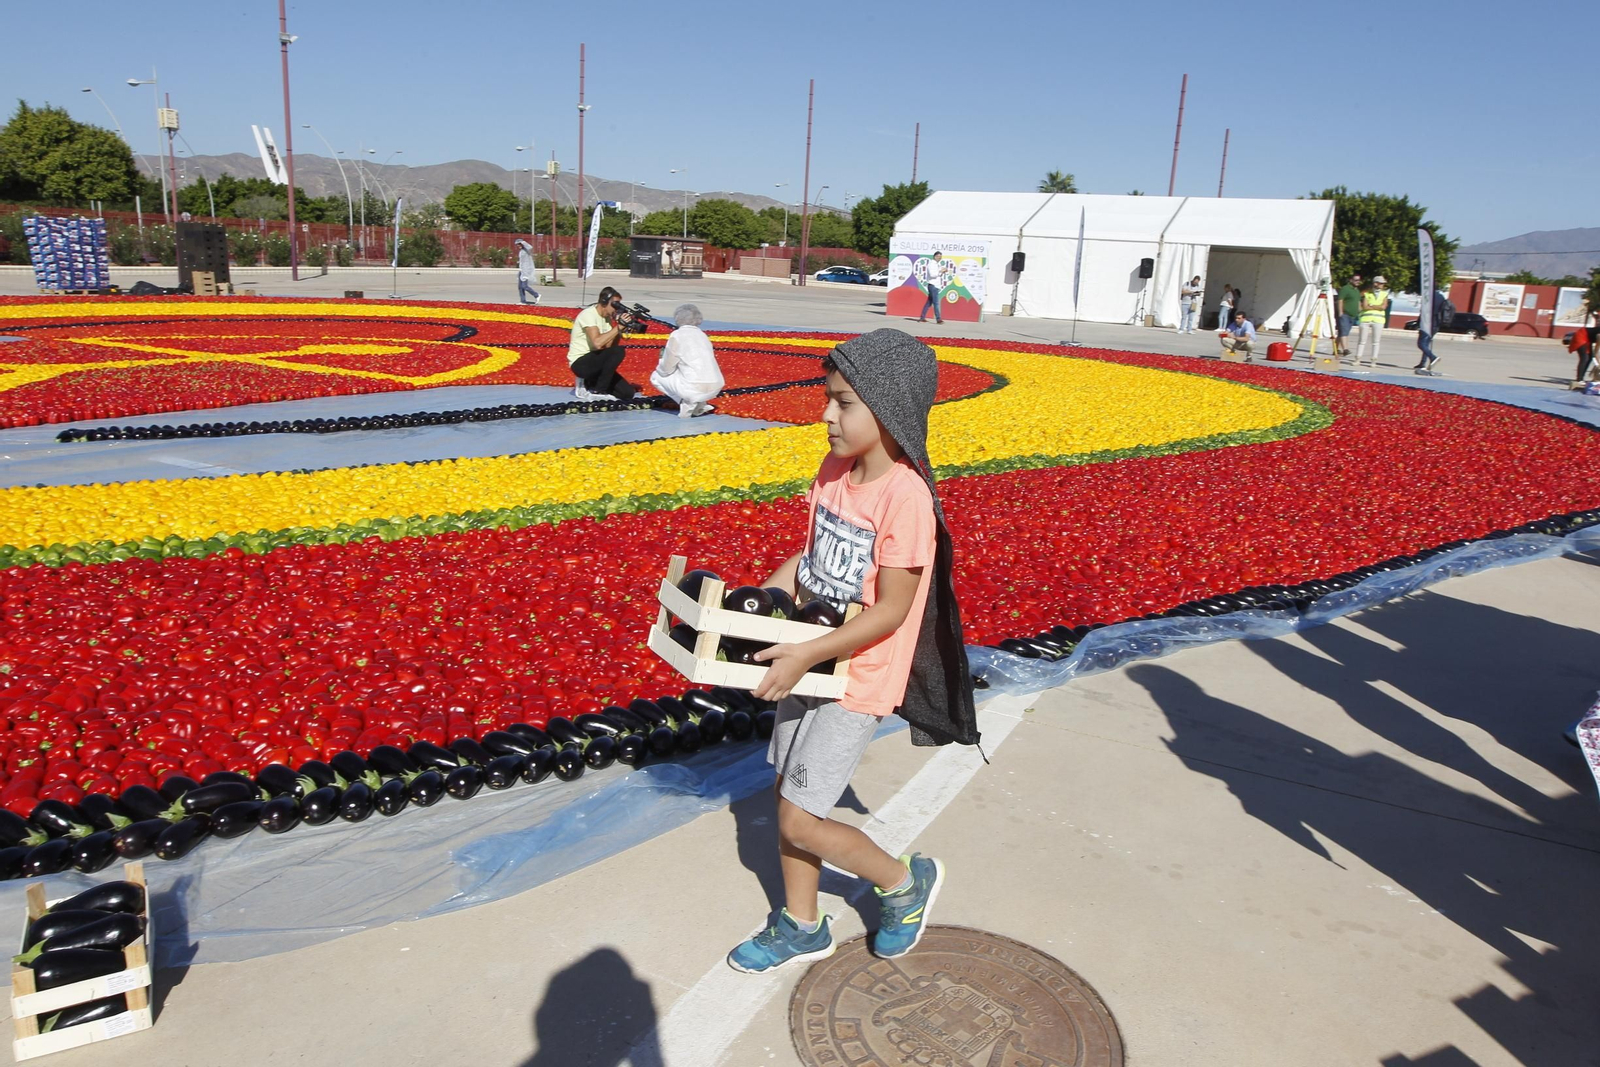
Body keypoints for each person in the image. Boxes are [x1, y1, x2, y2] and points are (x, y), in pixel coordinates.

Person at [725, 328, 978, 974]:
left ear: (888, 410)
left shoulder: (906, 498)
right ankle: (802, 924)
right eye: (826, 398)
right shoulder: (834, 472)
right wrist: (759, 601)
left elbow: (891, 609)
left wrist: (806, 656)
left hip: (855, 678)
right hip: (811, 660)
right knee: (789, 792)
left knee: (802, 819)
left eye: (842, 403)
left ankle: (901, 882)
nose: (825, 414)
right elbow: (809, 564)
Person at [650, 303, 724, 417]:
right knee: (690, 370)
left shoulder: (677, 335)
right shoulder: (703, 335)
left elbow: (667, 368)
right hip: (716, 385)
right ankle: (700, 404)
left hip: (693, 386)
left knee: (656, 377)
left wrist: (661, 361)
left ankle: (685, 401)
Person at [566, 286, 638, 401]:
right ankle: (598, 390)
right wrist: (618, 327)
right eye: (615, 305)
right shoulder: (589, 314)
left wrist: (620, 330)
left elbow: (609, 347)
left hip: (595, 362)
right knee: (619, 351)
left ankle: (590, 383)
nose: (617, 309)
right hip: (581, 363)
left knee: (627, 393)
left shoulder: (607, 319)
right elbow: (597, 344)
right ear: (604, 302)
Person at [1353, 274, 1392, 372]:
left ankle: (1373, 360)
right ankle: (1358, 358)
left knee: (1376, 341)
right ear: (1376, 283)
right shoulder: (1367, 294)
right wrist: (1376, 306)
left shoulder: (1384, 294)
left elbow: (1383, 306)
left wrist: (1371, 305)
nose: (1382, 285)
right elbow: (1365, 306)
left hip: (1378, 320)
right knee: (1362, 340)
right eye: (1381, 283)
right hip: (1365, 319)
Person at [1413, 289, 1448, 376]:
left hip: (1427, 323)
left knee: (1421, 343)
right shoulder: (1441, 297)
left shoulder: (1428, 297)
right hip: (1436, 324)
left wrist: (1418, 322)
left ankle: (1433, 357)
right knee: (1427, 343)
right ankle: (1422, 363)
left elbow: (1424, 311)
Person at [917, 251, 946, 324]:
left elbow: (938, 275)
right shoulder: (931, 264)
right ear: (935, 256)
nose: (940, 258)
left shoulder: (936, 264)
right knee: (936, 303)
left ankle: (922, 317)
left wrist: (942, 272)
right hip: (933, 285)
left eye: (940, 257)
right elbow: (932, 274)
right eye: (939, 256)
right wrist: (940, 271)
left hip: (935, 285)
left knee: (929, 302)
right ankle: (938, 319)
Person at [1337, 273, 1363, 356]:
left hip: (1353, 316)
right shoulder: (1345, 289)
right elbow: (1340, 300)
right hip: (1345, 314)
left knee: (1342, 332)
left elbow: (1358, 302)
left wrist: (1360, 311)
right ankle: (1345, 349)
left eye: (1358, 280)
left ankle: (1336, 349)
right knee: (1344, 331)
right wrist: (1340, 312)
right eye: (1355, 280)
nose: (1357, 282)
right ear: (1351, 280)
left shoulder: (1357, 291)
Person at [514, 240, 541, 305]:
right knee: (520, 287)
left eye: (519, 244)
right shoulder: (521, 251)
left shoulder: (527, 250)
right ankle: (523, 301)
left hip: (526, 271)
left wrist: (523, 242)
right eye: (517, 245)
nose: (518, 246)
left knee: (525, 286)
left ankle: (536, 295)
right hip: (521, 270)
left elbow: (530, 247)